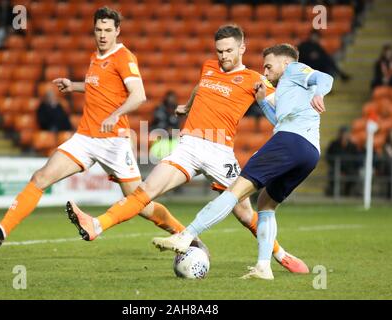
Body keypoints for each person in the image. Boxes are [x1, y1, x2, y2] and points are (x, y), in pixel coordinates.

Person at [66, 25, 310, 274]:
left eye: (228, 50)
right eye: (219, 51)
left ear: (242, 49)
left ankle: (280, 254)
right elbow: (201, 85)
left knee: (246, 214)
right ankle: (96, 225)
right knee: (146, 190)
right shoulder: (209, 66)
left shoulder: (254, 79)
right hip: (189, 145)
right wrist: (188, 105)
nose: (223, 56)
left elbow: (279, 104)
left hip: (220, 152)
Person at [0, 7, 197, 251]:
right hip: (85, 138)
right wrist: (75, 86)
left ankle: (185, 235)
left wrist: (115, 114)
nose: (102, 35)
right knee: (41, 177)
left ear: (117, 31)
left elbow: (139, 96)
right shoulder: (95, 57)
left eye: (108, 30)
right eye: (98, 29)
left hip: (114, 142)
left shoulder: (124, 57)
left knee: (140, 203)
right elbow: (99, 86)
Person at [152, 44, 334, 280]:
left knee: (234, 191)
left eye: (268, 66)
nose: (265, 73)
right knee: (266, 204)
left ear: (285, 63)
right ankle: (263, 267)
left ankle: (186, 235)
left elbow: (326, 78)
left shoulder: (294, 70)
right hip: (309, 152)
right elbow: (279, 121)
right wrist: (262, 102)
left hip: (289, 142)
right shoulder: (291, 90)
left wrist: (319, 92)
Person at [325, 126, 361, 196]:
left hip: (349, 168)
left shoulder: (352, 146)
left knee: (354, 174)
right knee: (332, 173)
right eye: (343, 134)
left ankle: (347, 192)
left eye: (346, 134)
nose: (344, 136)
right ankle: (333, 192)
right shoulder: (334, 144)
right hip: (336, 167)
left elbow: (356, 158)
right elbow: (328, 156)